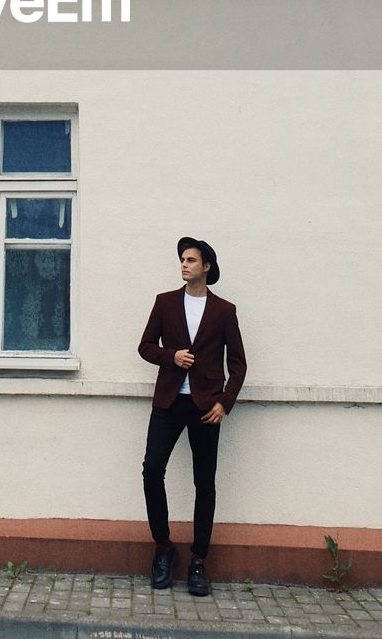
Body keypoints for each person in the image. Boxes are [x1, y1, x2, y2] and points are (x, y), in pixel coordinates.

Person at [138, 237, 246, 596]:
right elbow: (146, 347)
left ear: (206, 266)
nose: (183, 265)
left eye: (190, 260)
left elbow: (238, 363)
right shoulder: (165, 303)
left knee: (205, 483)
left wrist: (224, 403)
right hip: (169, 402)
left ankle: (199, 560)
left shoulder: (224, 311)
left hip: (205, 407)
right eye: (182, 260)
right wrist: (172, 357)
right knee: (152, 468)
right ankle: (163, 548)